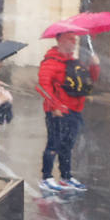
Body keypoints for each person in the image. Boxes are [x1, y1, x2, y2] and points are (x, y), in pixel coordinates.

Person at [36, 31, 99, 192]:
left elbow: (88, 81)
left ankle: (66, 177)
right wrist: (55, 106)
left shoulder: (74, 61)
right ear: (60, 40)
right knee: (54, 144)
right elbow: (43, 87)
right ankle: (46, 177)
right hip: (57, 112)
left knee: (67, 145)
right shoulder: (51, 61)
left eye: (75, 39)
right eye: (70, 39)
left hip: (75, 111)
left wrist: (94, 66)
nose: (74, 42)